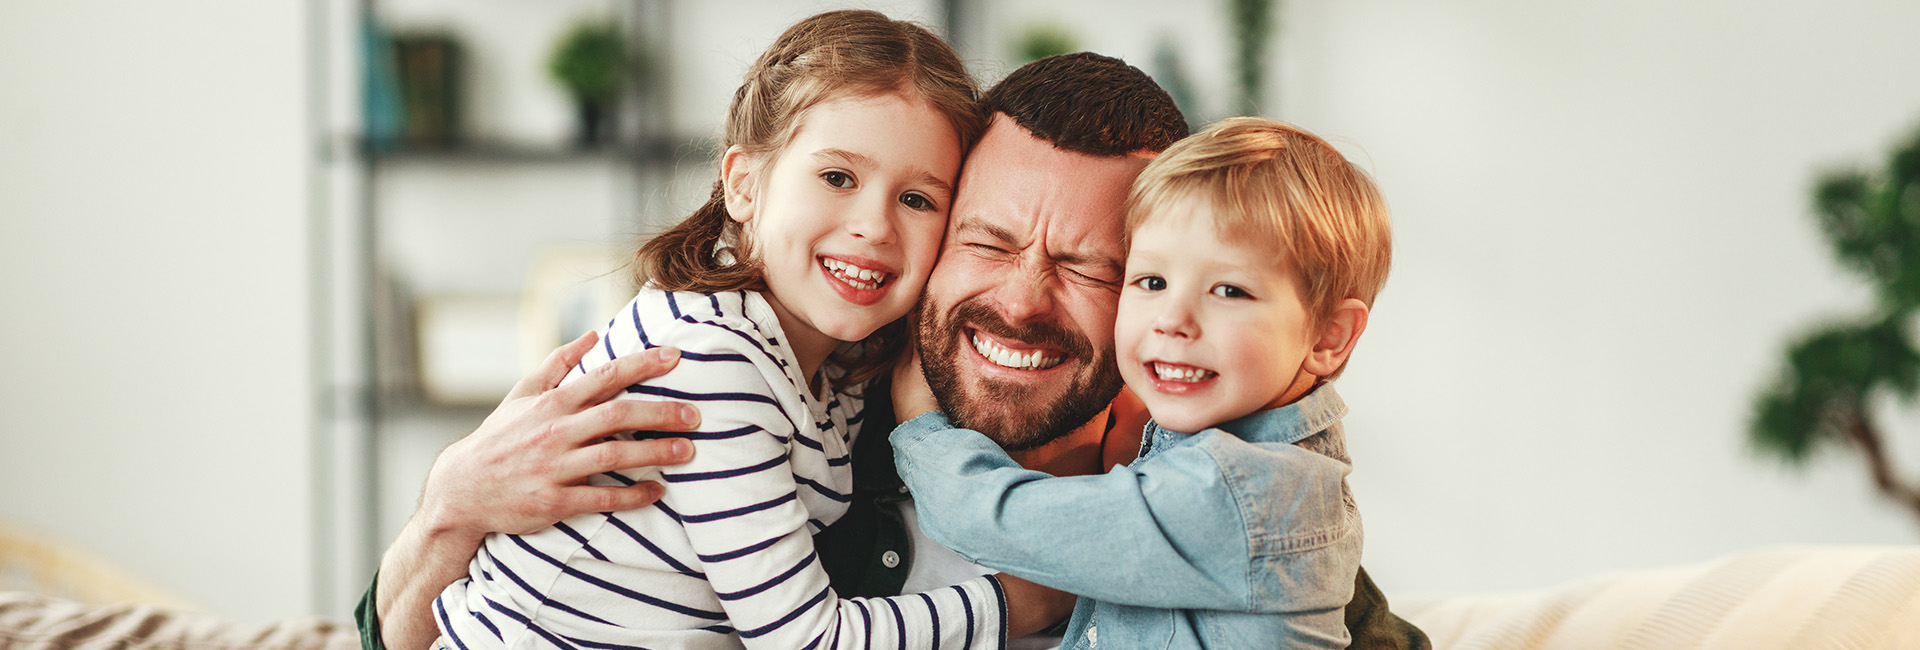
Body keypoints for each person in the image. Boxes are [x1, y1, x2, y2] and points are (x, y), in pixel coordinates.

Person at [362, 53, 1429, 650]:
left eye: (1094, 267)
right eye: (986, 237)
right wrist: (448, 510)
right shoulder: (799, 425)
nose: (1020, 299)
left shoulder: (1206, 484)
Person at [427, 10, 1059, 650]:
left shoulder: (822, 366)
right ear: (744, 185)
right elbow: (808, 640)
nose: (874, 225)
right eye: (837, 177)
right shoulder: (713, 359)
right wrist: (1026, 600)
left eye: (918, 199)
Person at [892, 117, 1391, 649]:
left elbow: (993, 517)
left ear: (1329, 337)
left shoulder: (1245, 494)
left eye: (1229, 291)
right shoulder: (1252, 463)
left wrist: (921, 425)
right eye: (1151, 281)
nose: (1172, 320)